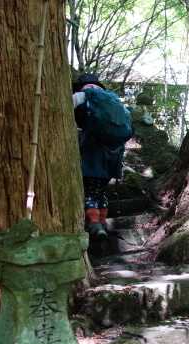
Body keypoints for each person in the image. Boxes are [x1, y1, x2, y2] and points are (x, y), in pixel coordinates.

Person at [72, 73, 132, 239]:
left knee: (90, 190)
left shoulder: (82, 95)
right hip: (113, 157)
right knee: (101, 191)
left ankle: (94, 224)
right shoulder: (113, 100)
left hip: (93, 153)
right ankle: (103, 222)